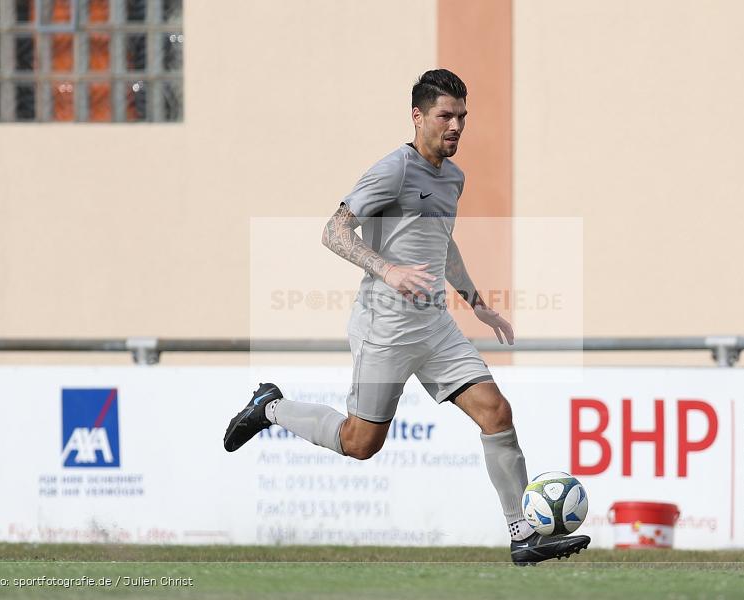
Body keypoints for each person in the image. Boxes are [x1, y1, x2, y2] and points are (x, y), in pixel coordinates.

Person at [224, 69, 590, 565]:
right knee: (360, 443)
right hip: (385, 329)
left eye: (462, 116)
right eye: (445, 115)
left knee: (496, 413)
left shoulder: (454, 177)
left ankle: (523, 535)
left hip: (435, 327)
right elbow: (333, 232)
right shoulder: (392, 170)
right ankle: (271, 407)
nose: (456, 125)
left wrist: (476, 301)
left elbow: (443, 242)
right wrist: (387, 269)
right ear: (418, 117)